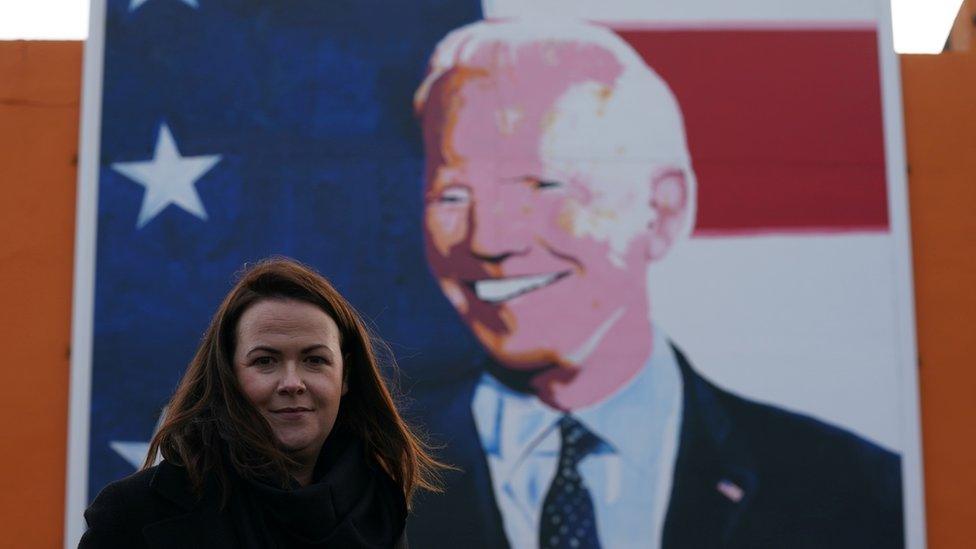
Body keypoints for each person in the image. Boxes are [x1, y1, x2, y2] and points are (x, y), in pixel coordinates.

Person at [407, 19, 904, 548]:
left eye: (544, 184)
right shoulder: (361, 462)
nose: (488, 239)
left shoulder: (854, 489)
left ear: (662, 211)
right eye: (452, 195)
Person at [81, 257, 442, 548]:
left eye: (315, 360)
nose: (292, 383)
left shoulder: (378, 510)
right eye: (265, 361)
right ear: (229, 376)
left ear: (345, 377)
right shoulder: (134, 515)